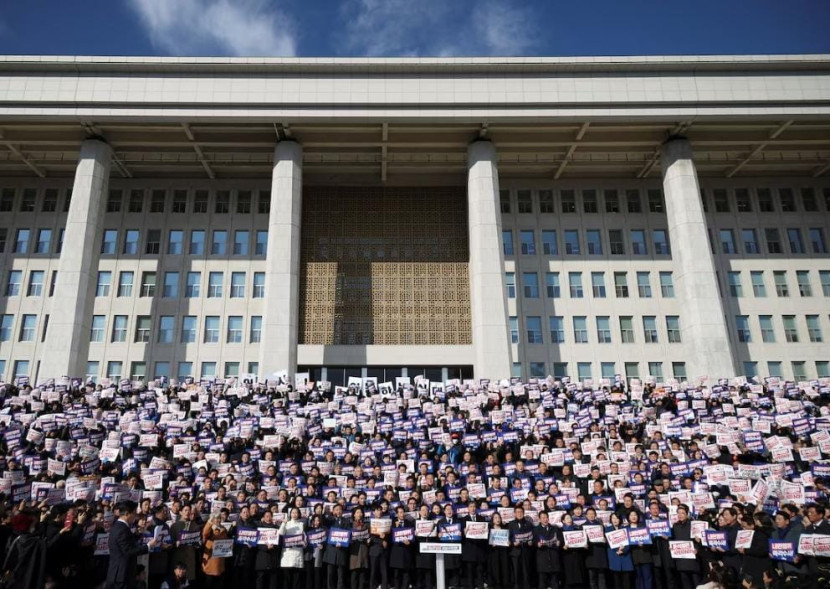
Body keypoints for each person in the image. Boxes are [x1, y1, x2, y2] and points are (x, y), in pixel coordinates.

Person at [107, 500, 158, 589]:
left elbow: (126, 542)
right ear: (127, 513)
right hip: (121, 575)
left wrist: (137, 535)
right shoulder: (121, 529)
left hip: (122, 574)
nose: (135, 516)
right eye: (134, 513)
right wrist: (148, 546)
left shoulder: (120, 527)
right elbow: (128, 550)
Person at [534, 510, 563, 589]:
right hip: (542, 558)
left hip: (554, 557)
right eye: (543, 518)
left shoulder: (555, 528)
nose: (545, 519)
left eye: (546, 517)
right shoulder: (536, 529)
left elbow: (560, 539)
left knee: (555, 582)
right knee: (542, 583)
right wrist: (537, 544)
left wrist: (559, 543)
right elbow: (533, 541)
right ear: (539, 519)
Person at [507, 505, 533, 589]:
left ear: (524, 513)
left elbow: (531, 536)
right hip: (515, 551)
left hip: (526, 551)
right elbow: (508, 537)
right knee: (516, 572)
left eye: (521, 512)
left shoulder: (529, 523)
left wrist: (530, 542)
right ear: (514, 513)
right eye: (517, 512)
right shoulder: (510, 524)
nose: (519, 514)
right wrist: (512, 543)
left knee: (526, 572)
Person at [281, 507, 307, 589]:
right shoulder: (287, 523)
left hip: (297, 552)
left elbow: (304, 537)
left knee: (297, 578)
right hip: (287, 553)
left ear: (299, 514)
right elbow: (281, 533)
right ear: (290, 514)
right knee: (286, 578)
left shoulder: (301, 524)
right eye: (293, 512)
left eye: (296, 512)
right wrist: (283, 524)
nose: (294, 514)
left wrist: (304, 543)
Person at [605, 512, 633, 589]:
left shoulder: (625, 529)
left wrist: (623, 550)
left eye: (617, 518)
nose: (615, 520)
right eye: (613, 518)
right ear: (610, 519)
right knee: (617, 581)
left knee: (626, 580)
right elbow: (608, 542)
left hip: (625, 556)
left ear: (620, 519)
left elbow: (629, 542)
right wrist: (617, 550)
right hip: (614, 556)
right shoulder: (607, 530)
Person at [201, 513, 229, 589]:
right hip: (210, 561)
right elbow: (205, 533)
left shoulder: (224, 529)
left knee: (218, 584)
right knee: (209, 584)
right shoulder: (210, 528)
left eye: (218, 518)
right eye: (215, 518)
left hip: (220, 561)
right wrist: (210, 522)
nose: (217, 520)